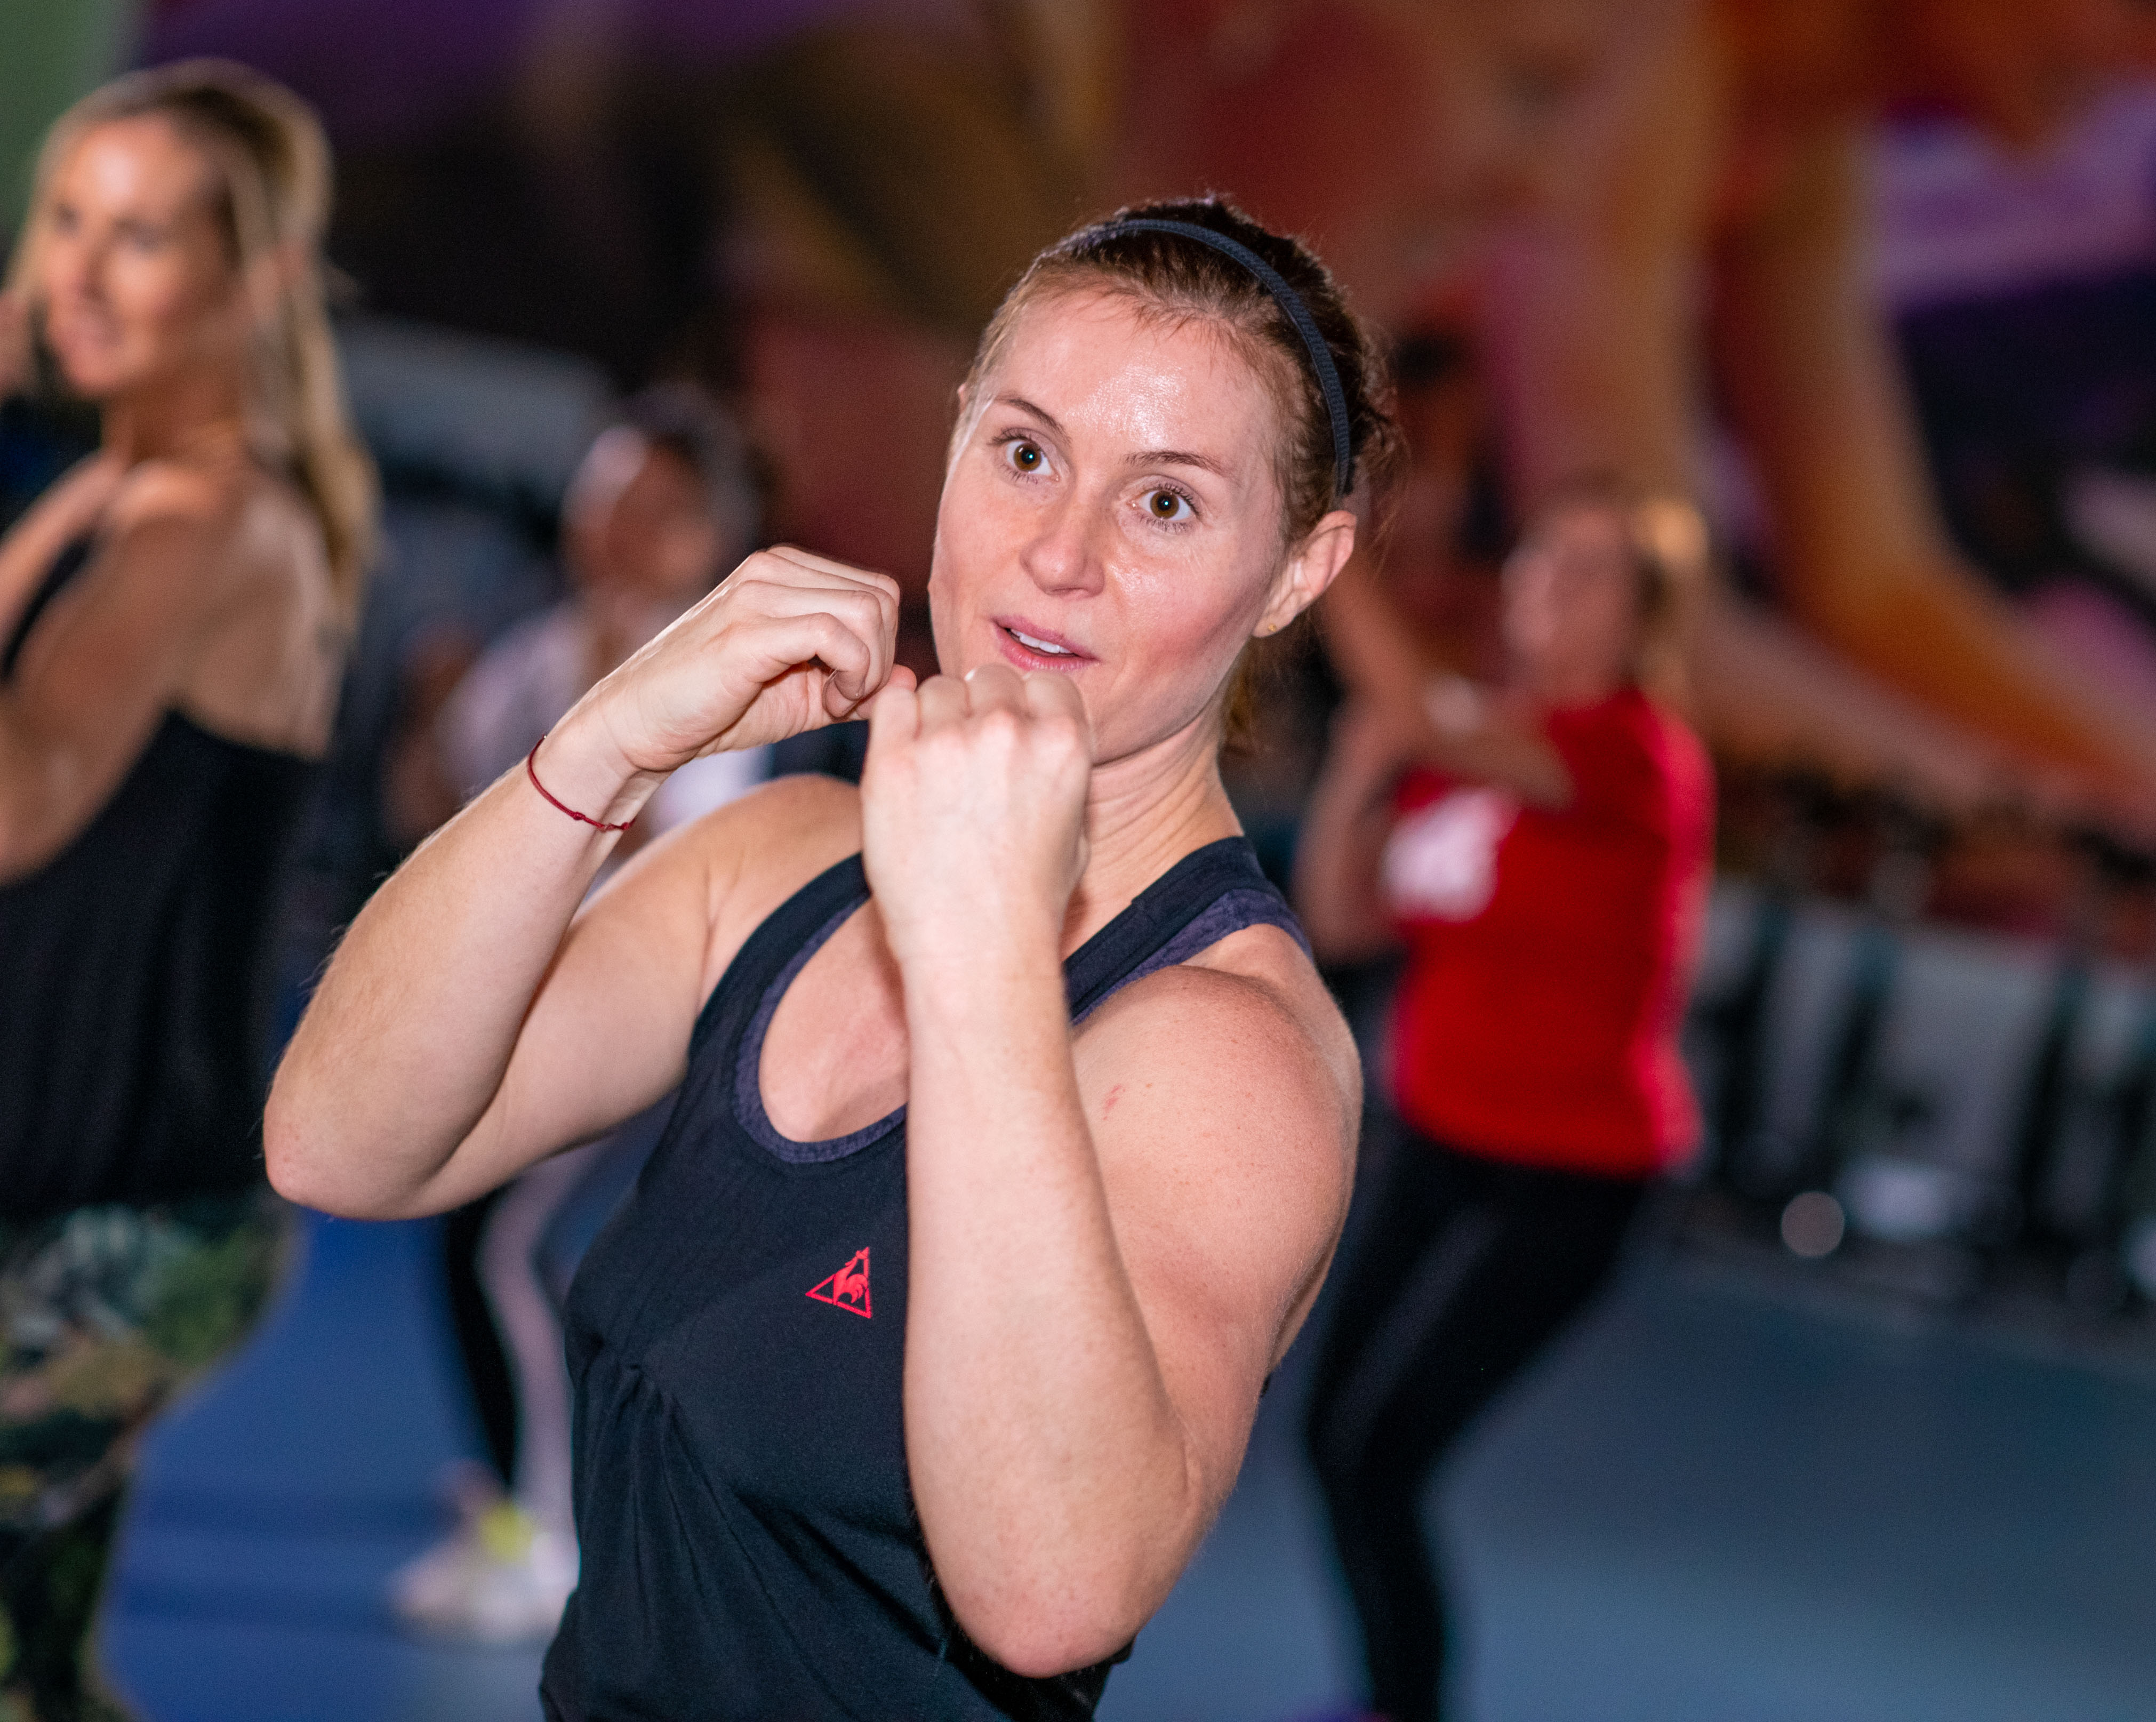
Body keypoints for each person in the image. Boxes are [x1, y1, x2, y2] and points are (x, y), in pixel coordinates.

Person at [267, 197, 1383, 1716]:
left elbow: (1054, 1591)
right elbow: (337, 1140)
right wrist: (604, 741)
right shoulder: (776, 864)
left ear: (1301, 570)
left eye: (1167, 504)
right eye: (1025, 452)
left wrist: (983, 945)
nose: (1056, 555)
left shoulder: (1221, 1051)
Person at [148, 0, 1697, 598]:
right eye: (1527, 81)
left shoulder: (942, 15)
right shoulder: (894, 71)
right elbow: (941, 630)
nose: (1535, 184)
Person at [1447, 0, 2156, 870]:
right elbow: (1636, 627)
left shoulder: (1799, 119)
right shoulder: (1665, 25)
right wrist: (2098, 841)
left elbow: (1876, 585)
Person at [0, 60, 376, 1718]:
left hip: (126, 1223)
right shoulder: (108, 489)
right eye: (65, 219)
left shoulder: (213, 524)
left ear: (254, 280)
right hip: (64, 1188)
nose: (76, 271)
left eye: (138, 237)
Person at [1294, 481, 1714, 1722]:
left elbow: (1419, 705)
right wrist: (1360, 772)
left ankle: (1404, 1705)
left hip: (1567, 1177)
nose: (1548, 585)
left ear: (1642, 619)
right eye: (1540, 559)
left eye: (1589, 572)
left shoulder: (1632, 752)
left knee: (1382, 1457)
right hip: (1437, 1143)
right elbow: (1345, 915)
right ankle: (1386, 1694)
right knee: (1333, 1437)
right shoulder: (1473, 751)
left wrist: (1322, 543)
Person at [386, 381, 760, 1644]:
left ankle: (543, 1531)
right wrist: (434, 724)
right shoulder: (540, 649)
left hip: (646, 1028)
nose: (615, 525)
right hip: (522, 1016)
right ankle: (518, 1491)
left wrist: (621, 723)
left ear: (705, 537)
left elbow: (668, 881)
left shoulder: (717, 681)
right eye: (605, 495)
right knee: (479, 1241)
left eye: (653, 508)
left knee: (495, 1247)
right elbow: (437, 830)